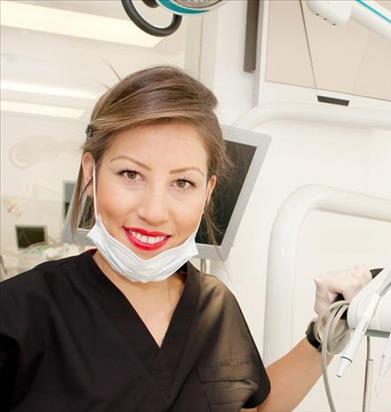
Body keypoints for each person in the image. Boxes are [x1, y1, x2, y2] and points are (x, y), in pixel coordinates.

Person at [0, 66, 371, 411]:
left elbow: (252, 408)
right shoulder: (20, 311)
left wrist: (323, 336)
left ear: (208, 191)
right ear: (91, 172)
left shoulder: (214, 305)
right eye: (130, 174)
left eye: (182, 183)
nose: (155, 211)